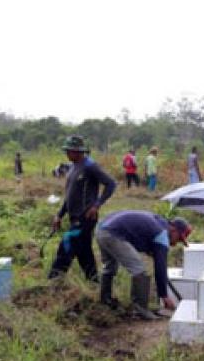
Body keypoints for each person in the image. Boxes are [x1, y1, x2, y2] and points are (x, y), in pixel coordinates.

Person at [95, 211, 191, 319]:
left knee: (110, 267)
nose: (175, 243)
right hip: (113, 234)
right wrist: (164, 295)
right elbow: (160, 268)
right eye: (178, 239)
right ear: (174, 230)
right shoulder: (162, 235)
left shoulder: (159, 222)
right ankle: (140, 310)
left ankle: (105, 300)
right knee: (139, 269)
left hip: (102, 230)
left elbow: (142, 235)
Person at [49, 135, 117, 282]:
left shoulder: (90, 166)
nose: (66, 153)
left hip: (85, 218)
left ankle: (54, 281)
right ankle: (93, 281)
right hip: (74, 216)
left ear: (77, 151)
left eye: (69, 150)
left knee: (66, 244)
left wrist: (96, 205)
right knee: (84, 252)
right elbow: (69, 196)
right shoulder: (73, 167)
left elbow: (111, 184)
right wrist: (59, 215)